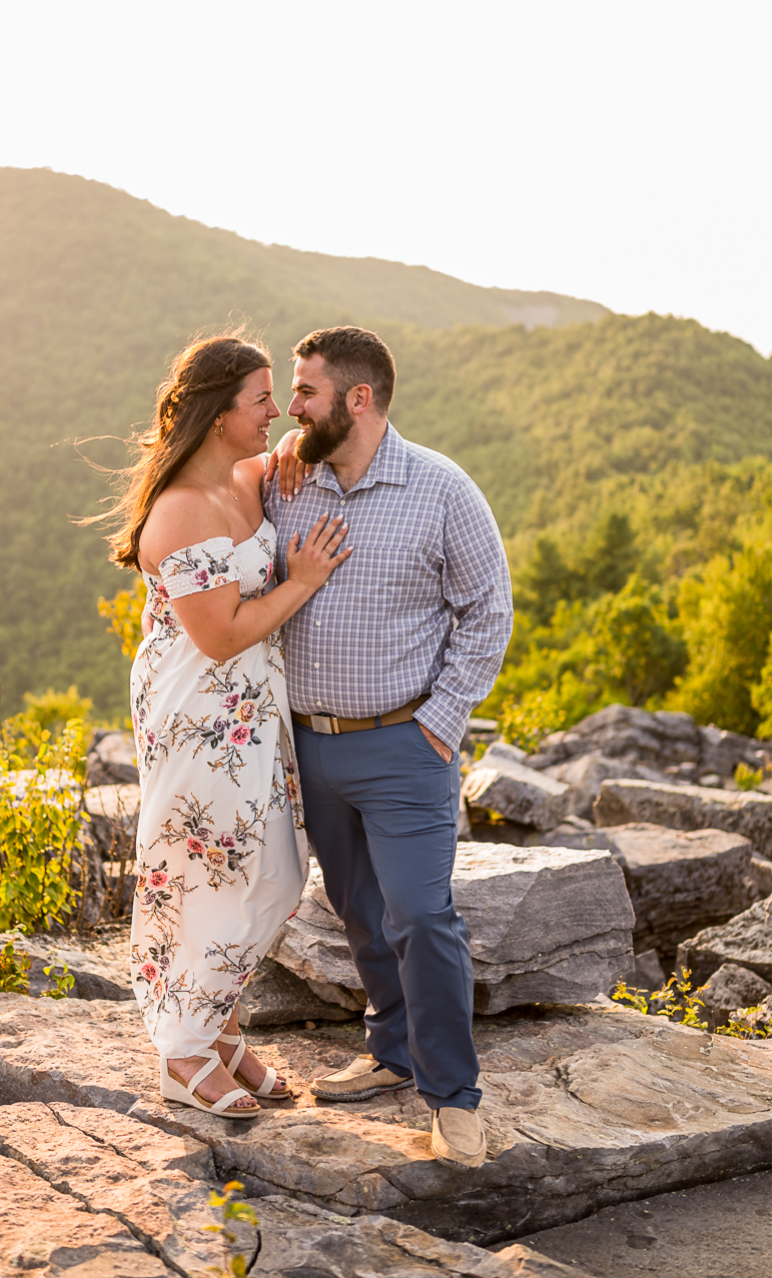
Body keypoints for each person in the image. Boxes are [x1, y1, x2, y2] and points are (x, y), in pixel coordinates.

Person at [262, 325, 513, 1168]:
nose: (290, 409)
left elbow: (489, 612)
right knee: (360, 911)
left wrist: (441, 721)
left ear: (357, 400)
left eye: (305, 392)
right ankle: (389, 1051)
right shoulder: (290, 483)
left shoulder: (442, 490)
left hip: (408, 746)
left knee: (421, 915)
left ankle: (453, 1098)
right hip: (313, 748)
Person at [107, 334, 351, 1120]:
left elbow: (290, 445)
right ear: (218, 414)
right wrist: (306, 580)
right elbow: (220, 634)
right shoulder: (177, 512)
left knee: (274, 871)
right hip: (198, 712)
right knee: (206, 871)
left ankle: (219, 1030)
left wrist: (287, 441)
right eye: (260, 399)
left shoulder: (251, 476)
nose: (275, 410)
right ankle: (184, 1052)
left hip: (252, 710)